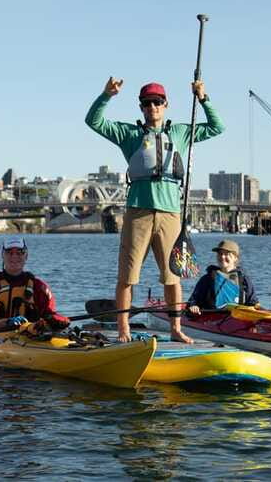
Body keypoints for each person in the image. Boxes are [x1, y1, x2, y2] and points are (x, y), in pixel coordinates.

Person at [85, 77, 224, 343]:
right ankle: (123, 329)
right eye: (147, 103)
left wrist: (203, 98)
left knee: (173, 276)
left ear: (165, 104)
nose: (152, 107)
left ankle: (176, 329)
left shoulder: (181, 132)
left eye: (157, 102)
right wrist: (106, 95)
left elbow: (217, 127)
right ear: (141, 107)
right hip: (138, 212)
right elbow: (94, 121)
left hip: (170, 214)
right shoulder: (129, 134)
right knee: (128, 276)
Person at [0, 237, 70, 335]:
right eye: (9, 252)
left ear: (26, 256)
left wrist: (59, 321)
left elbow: (51, 316)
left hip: (32, 336)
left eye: (20, 252)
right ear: (2, 255)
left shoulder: (41, 287)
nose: (14, 256)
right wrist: (7, 322)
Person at [186, 239, 258, 315]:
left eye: (227, 254)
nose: (222, 257)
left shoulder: (244, 279)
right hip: (212, 318)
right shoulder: (207, 278)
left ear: (235, 258)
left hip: (237, 318)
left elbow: (253, 302)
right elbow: (193, 300)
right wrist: (193, 306)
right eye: (220, 254)